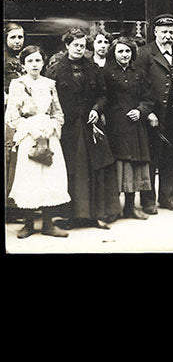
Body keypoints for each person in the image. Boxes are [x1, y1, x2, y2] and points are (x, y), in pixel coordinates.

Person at [45, 27, 121, 229]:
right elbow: (48, 100)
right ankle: (72, 216)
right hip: (68, 128)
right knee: (72, 171)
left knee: (95, 170)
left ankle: (94, 215)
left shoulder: (93, 68)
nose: (80, 49)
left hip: (90, 127)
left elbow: (103, 94)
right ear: (67, 45)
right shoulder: (54, 70)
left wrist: (97, 109)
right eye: (75, 45)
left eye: (83, 45)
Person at [6, 45, 71, 238]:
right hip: (29, 136)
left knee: (49, 177)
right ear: (23, 64)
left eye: (38, 60)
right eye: (30, 61)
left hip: (49, 137)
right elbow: (12, 116)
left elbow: (58, 112)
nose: (34, 65)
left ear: (43, 62)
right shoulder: (18, 84)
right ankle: (28, 224)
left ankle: (48, 224)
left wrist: (52, 125)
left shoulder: (49, 84)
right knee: (30, 178)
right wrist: (31, 130)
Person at [136, 14, 173, 214]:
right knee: (151, 158)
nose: (168, 36)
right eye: (164, 32)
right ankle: (148, 201)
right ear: (156, 32)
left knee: (172, 157)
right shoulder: (144, 53)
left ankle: (168, 198)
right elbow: (138, 85)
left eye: (171, 32)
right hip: (154, 115)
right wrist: (147, 112)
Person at [102, 37, 156, 220]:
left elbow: (149, 98)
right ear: (113, 53)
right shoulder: (106, 72)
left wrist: (140, 110)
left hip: (135, 126)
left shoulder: (139, 72)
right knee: (118, 168)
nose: (124, 55)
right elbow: (103, 98)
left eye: (127, 51)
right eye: (120, 51)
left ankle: (130, 208)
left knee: (134, 166)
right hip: (115, 126)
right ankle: (114, 209)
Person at [4, 22, 26, 221]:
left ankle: (17, 205)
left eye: (20, 37)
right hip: (6, 113)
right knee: (8, 157)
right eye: (13, 37)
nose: (18, 41)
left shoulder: (23, 58)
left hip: (20, 114)